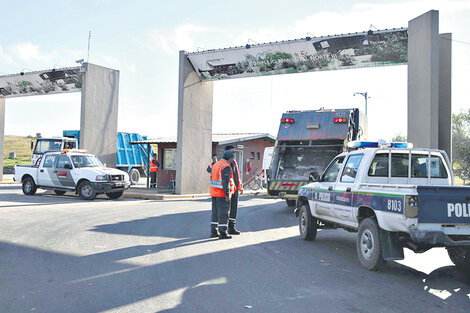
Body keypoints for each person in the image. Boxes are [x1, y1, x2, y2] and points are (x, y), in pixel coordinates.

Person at [210, 150, 236, 239]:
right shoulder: (226, 166)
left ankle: (213, 231)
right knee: (224, 213)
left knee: (215, 213)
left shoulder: (216, 164)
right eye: (232, 158)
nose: (232, 160)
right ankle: (223, 233)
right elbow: (225, 181)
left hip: (214, 192)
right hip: (222, 193)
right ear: (230, 158)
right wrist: (227, 194)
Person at [225, 145, 243, 235]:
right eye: (233, 152)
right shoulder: (228, 163)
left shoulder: (233, 162)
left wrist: (240, 187)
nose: (234, 153)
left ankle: (232, 227)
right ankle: (228, 228)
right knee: (229, 209)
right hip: (230, 190)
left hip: (235, 189)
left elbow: (236, 176)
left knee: (234, 209)